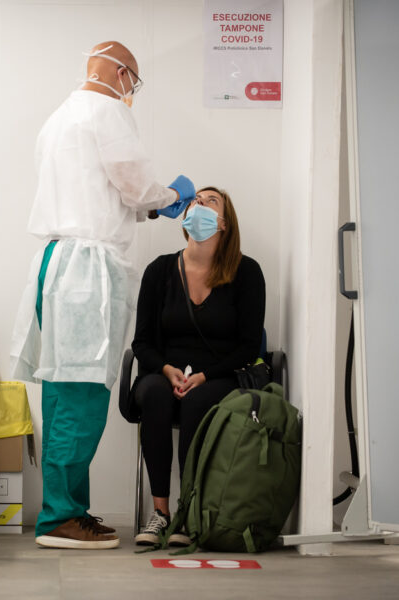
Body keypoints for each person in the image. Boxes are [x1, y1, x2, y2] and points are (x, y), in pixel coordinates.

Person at [10, 41, 196, 550]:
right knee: (82, 394)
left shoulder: (59, 119)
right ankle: (60, 519)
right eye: (131, 81)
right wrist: (173, 197)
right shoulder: (109, 111)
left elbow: (105, 193)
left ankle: (67, 509)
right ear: (119, 73)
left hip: (58, 264)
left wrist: (152, 206)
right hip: (87, 272)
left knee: (63, 391)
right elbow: (134, 187)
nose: (130, 92)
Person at [130, 186, 266, 546]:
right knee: (156, 396)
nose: (199, 204)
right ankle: (160, 513)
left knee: (197, 401)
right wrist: (165, 369)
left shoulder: (247, 272)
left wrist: (205, 375)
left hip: (220, 374)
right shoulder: (159, 271)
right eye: (195, 201)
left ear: (224, 223)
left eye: (210, 201)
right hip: (163, 372)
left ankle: (189, 512)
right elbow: (141, 342)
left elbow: (250, 347)